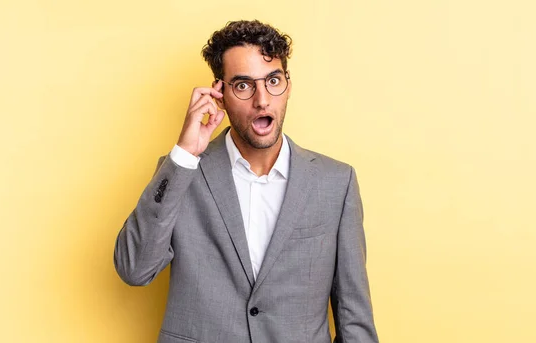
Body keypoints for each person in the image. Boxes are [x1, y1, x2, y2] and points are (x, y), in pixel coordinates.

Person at [114, 20, 379, 343]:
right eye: (243, 85)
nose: (262, 100)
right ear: (220, 94)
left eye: (273, 80)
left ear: (288, 85)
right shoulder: (182, 173)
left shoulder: (336, 182)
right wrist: (185, 154)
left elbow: (355, 317)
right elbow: (135, 269)